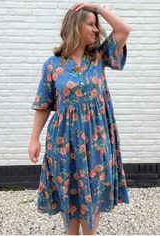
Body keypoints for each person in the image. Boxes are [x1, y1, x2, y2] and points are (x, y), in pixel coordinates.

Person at [28, 2, 132, 235]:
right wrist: (34, 139)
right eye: (91, 24)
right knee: (69, 193)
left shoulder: (99, 57)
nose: (96, 29)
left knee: (92, 194)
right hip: (63, 142)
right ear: (76, 26)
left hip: (96, 140)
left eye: (97, 25)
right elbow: (43, 105)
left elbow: (124, 29)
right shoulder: (53, 66)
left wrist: (97, 8)